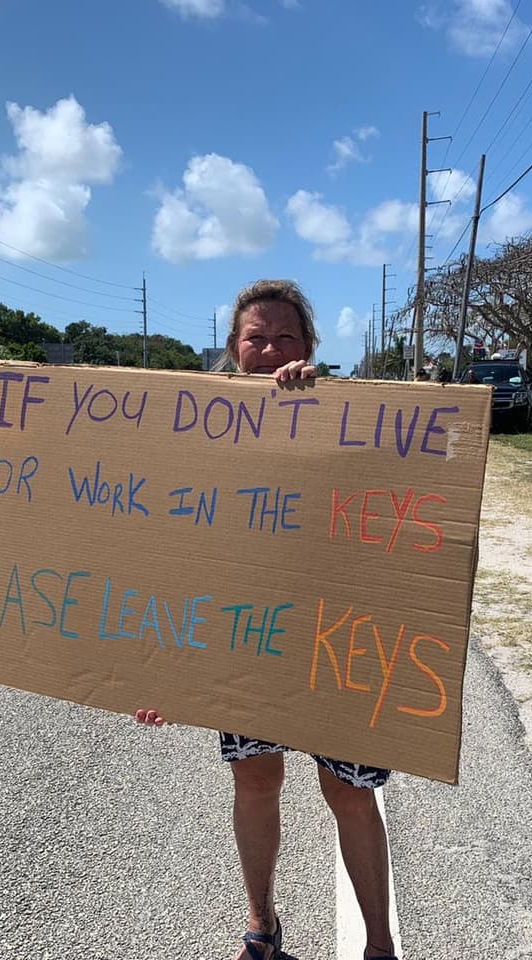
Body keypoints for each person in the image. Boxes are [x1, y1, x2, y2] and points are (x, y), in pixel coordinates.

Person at [136, 279, 398, 960]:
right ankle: (262, 928)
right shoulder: (199, 429)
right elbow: (172, 547)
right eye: (257, 336)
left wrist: (310, 405)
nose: (271, 349)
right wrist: (158, 670)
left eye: (286, 336)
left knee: (348, 789)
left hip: (333, 638)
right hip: (246, 636)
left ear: (309, 347)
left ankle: (378, 947)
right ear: (233, 348)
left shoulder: (344, 414)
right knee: (255, 780)